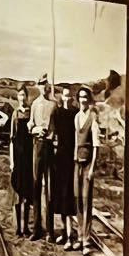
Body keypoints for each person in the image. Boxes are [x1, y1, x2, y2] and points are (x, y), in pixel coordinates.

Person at [47, 85, 77, 247]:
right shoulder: (57, 113)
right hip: (59, 159)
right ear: (62, 97)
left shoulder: (75, 113)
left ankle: (70, 236)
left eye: (70, 96)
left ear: (72, 98)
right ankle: (65, 233)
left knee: (69, 197)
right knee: (60, 196)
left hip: (71, 159)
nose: (67, 98)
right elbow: (52, 133)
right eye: (65, 96)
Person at [73, 85, 100, 256]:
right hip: (77, 163)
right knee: (77, 201)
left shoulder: (93, 118)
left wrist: (92, 169)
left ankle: (87, 240)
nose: (82, 100)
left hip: (88, 164)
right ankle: (79, 236)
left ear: (89, 99)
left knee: (86, 202)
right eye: (80, 97)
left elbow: (96, 146)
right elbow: (76, 141)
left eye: (85, 97)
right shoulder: (76, 117)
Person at [28, 74, 55, 240]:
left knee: (50, 189)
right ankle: (36, 229)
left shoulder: (54, 105)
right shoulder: (35, 104)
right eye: (41, 84)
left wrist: (52, 136)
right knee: (36, 186)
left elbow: (57, 128)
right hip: (37, 146)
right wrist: (35, 129)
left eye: (46, 84)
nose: (44, 87)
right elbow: (30, 125)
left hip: (50, 148)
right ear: (38, 86)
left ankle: (50, 230)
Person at [9, 85, 35, 237]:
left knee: (27, 194)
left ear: (27, 96)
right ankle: (18, 228)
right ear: (17, 97)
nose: (22, 98)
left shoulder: (31, 113)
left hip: (29, 158)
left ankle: (26, 228)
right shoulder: (15, 114)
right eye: (19, 95)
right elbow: (11, 140)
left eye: (24, 95)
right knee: (18, 193)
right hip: (18, 158)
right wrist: (12, 161)